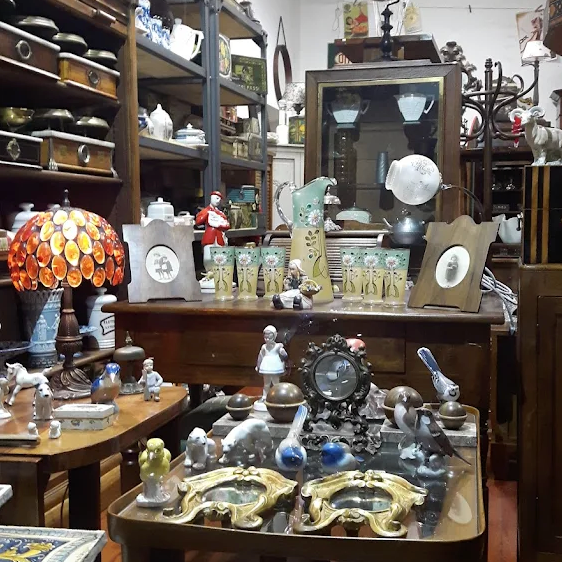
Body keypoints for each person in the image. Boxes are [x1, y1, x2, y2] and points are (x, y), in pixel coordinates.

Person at [195, 191, 230, 275]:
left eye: (219, 199)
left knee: (220, 256)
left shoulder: (220, 213)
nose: (218, 201)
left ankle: (218, 273)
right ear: (211, 198)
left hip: (219, 236)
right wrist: (207, 215)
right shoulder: (206, 211)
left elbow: (227, 225)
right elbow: (198, 221)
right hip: (210, 235)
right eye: (216, 198)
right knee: (208, 257)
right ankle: (209, 272)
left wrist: (219, 224)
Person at [254, 325, 288, 410]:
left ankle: (278, 397)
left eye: (269, 338)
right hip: (266, 366)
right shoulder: (264, 347)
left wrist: (283, 353)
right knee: (266, 384)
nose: (267, 340)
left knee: (276, 383)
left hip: (275, 366)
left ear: (274, 336)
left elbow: (284, 355)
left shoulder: (278, 346)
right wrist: (258, 365)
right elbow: (260, 356)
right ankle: (264, 396)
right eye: (265, 338)